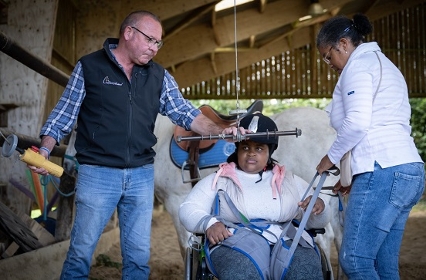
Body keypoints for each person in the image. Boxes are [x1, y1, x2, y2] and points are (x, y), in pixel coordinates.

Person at [30, 10, 245, 279]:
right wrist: (46, 149)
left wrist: (222, 130)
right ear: (128, 33)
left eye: (158, 43)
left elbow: (187, 114)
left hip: (142, 175)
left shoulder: (159, 77)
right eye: (150, 40)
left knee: (138, 259)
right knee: (80, 254)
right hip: (98, 173)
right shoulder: (89, 67)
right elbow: (63, 115)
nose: (154, 48)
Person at [315, 14, 425, 279]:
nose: (329, 64)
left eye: (328, 56)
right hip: (407, 169)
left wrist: (329, 159)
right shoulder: (384, 64)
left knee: (354, 260)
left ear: (343, 43)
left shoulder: (358, 66)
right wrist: (353, 172)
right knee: (381, 265)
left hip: (384, 170)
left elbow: (357, 124)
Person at [179, 113, 331, 280]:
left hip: (287, 240)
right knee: (241, 272)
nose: (251, 153)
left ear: (270, 151)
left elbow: (318, 221)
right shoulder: (219, 180)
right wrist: (210, 224)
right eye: (245, 147)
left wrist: (319, 208)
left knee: (305, 270)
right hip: (234, 243)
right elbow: (188, 209)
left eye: (259, 148)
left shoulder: (290, 180)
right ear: (237, 149)